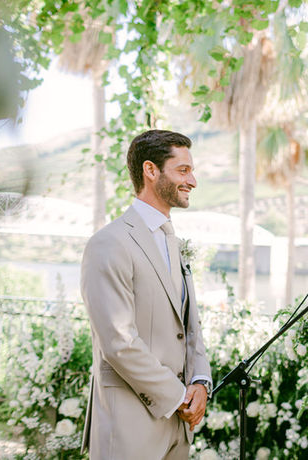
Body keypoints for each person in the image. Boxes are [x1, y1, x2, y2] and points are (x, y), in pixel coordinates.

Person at [80, 130, 212, 460]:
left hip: (178, 429)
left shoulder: (173, 242)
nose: (192, 181)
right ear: (151, 170)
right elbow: (118, 342)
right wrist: (179, 396)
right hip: (129, 426)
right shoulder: (109, 243)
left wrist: (200, 382)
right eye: (183, 170)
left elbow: (189, 326)